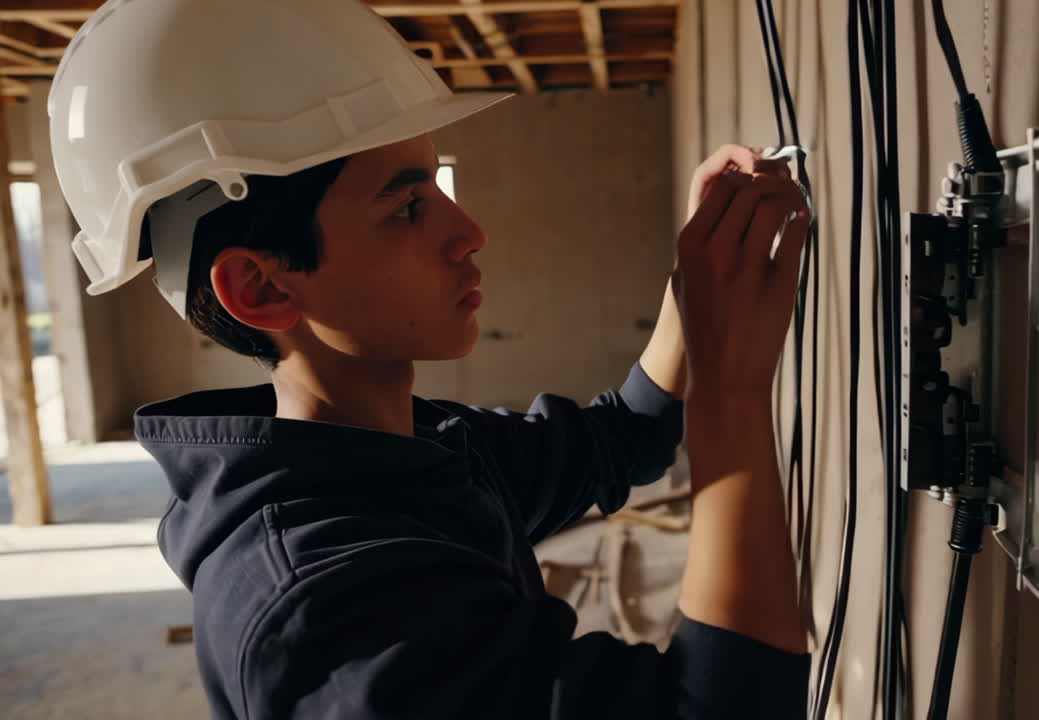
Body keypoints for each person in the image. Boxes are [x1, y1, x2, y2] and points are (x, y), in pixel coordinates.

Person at [50, 1, 812, 717]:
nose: (469, 231)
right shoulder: (326, 614)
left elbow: (618, 442)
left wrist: (693, 291)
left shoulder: (405, 452)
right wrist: (732, 393)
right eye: (408, 206)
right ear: (262, 286)